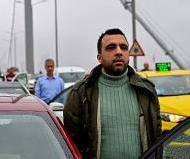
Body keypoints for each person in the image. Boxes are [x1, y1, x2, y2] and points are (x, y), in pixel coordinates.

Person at [64, 28, 161, 159]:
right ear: (99, 57)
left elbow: (156, 138)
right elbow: (72, 145)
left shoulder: (146, 91)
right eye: (111, 48)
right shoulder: (81, 93)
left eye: (123, 47)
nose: (119, 52)